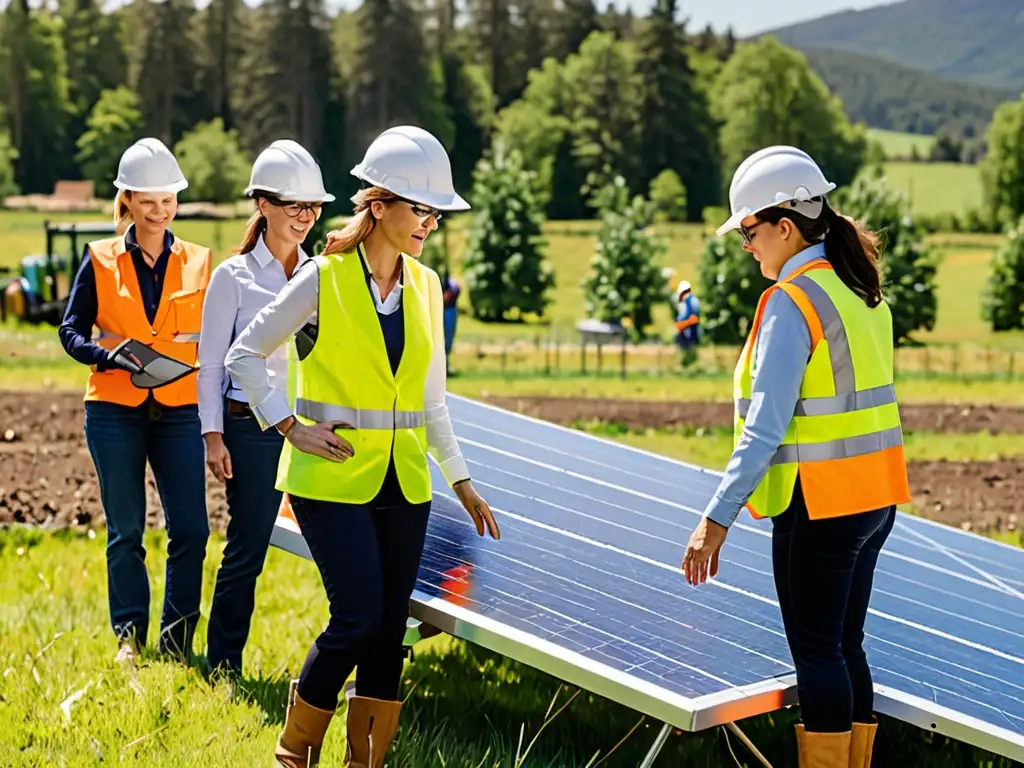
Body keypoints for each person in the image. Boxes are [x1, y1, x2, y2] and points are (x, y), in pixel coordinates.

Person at [224, 124, 500, 768]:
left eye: (437, 212)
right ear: (378, 205)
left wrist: (460, 479)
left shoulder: (428, 288)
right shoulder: (323, 278)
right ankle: (293, 753)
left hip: (405, 482)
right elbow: (245, 355)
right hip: (329, 479)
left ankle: (364, 762)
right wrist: (289, 426)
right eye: (419, 209)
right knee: (355, 617)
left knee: (387, 633)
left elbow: (432, 400)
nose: (429, 223)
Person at [680, 146, 911, 768]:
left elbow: (764, 428)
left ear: (785, 225)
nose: (748, 246)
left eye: (750, 233)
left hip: (822, 506)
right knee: (845, 648)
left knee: (817, 655)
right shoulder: (862, 292)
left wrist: (716, 517)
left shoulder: (794, 300)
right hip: (875, 498)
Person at [57, 138, 212, 666]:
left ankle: (177, 640)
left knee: (191, 528)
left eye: (168, 200)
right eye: (149, 200)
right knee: (126, 530)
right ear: (127, 200)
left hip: (180, 408)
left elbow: (213, 337)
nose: (160, 210)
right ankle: (129, 637)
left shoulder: (199, 261)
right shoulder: (98, 259)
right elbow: (70, 331)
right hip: (113, 410)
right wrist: (106, 356)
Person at [197, 139, 334, 679]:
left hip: (306, 424)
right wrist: (212, 435)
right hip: (249, 428)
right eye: (294, 205)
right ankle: (223, 664)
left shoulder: (321, 274)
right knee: (247, 547)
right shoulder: (233, 277)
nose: (305, 217)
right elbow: (212, 366)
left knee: (336, 546)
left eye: (314, 207)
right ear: (263, 205)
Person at [673, 279, 700, 362]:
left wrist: (681, 324)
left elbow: (692, 318)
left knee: (688, 349)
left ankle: (687, 363)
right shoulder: (692, 300)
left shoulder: (690, 301)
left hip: (689, 330)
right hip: (687, 329)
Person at [441, 271, 460, 372]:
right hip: (440, 311)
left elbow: (456, 290)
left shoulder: (453, 286)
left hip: (449, 312)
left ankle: (446, 367)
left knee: (447, 341)